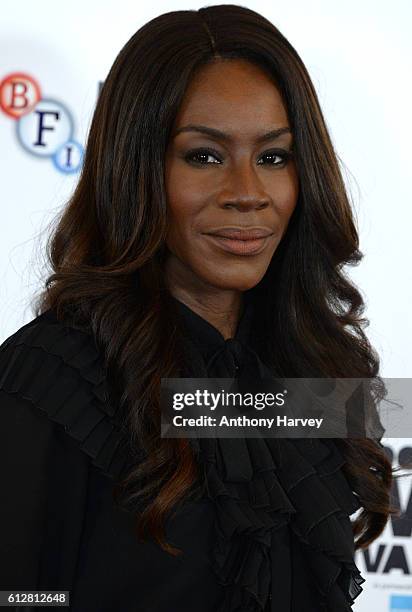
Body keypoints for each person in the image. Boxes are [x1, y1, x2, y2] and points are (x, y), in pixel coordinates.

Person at [0, 4, 398, 611]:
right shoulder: (52, 375)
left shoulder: (311, 370)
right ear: (136, 172)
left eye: (273, 157)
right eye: (204, 156)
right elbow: (23, 597)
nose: (247, 193)